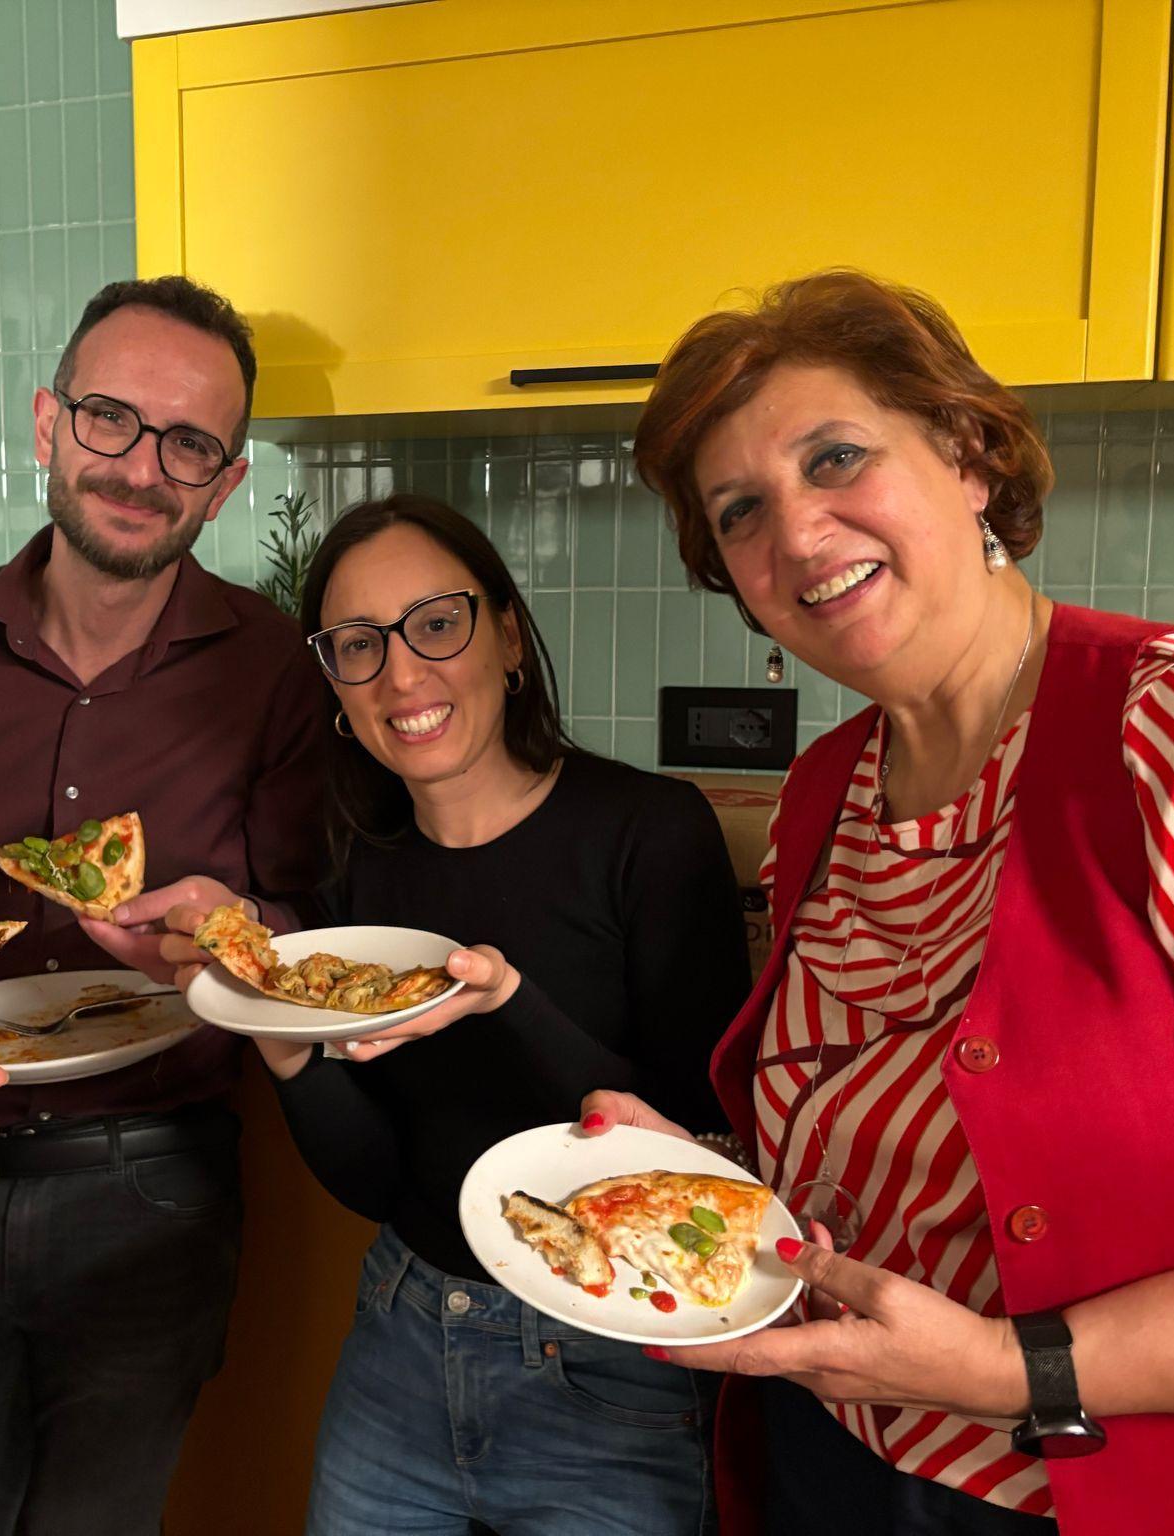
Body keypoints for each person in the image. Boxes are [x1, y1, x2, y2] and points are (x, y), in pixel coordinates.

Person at [576, 268, 1174, 1536]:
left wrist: (1018, 1372)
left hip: (1106, 1494)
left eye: (836, 457)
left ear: (965, 455)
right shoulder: (821, 793)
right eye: (740, 512)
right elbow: (902, 1151)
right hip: (831, 1463)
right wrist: (711, 1182)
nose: (795, 537)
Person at [0, 274, 328, 1536]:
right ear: (47, 424)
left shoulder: (269, 669)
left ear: (226, 480)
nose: (142, 466)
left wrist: (222, 935)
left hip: (150, 1188)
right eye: (110, 418)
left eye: (188, 443)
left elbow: (302, 922)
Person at [153, 494, 753, 1535]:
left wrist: (507, 1002)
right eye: (356, 646)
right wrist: (280, 1037)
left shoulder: (646, 832)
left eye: (436, 624)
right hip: (402, 1336)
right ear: (333, 684)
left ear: (507, 635)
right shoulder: (360, 874)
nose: (400, 674)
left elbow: (700, 1157)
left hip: (608, 1360)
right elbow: (379, 1180)